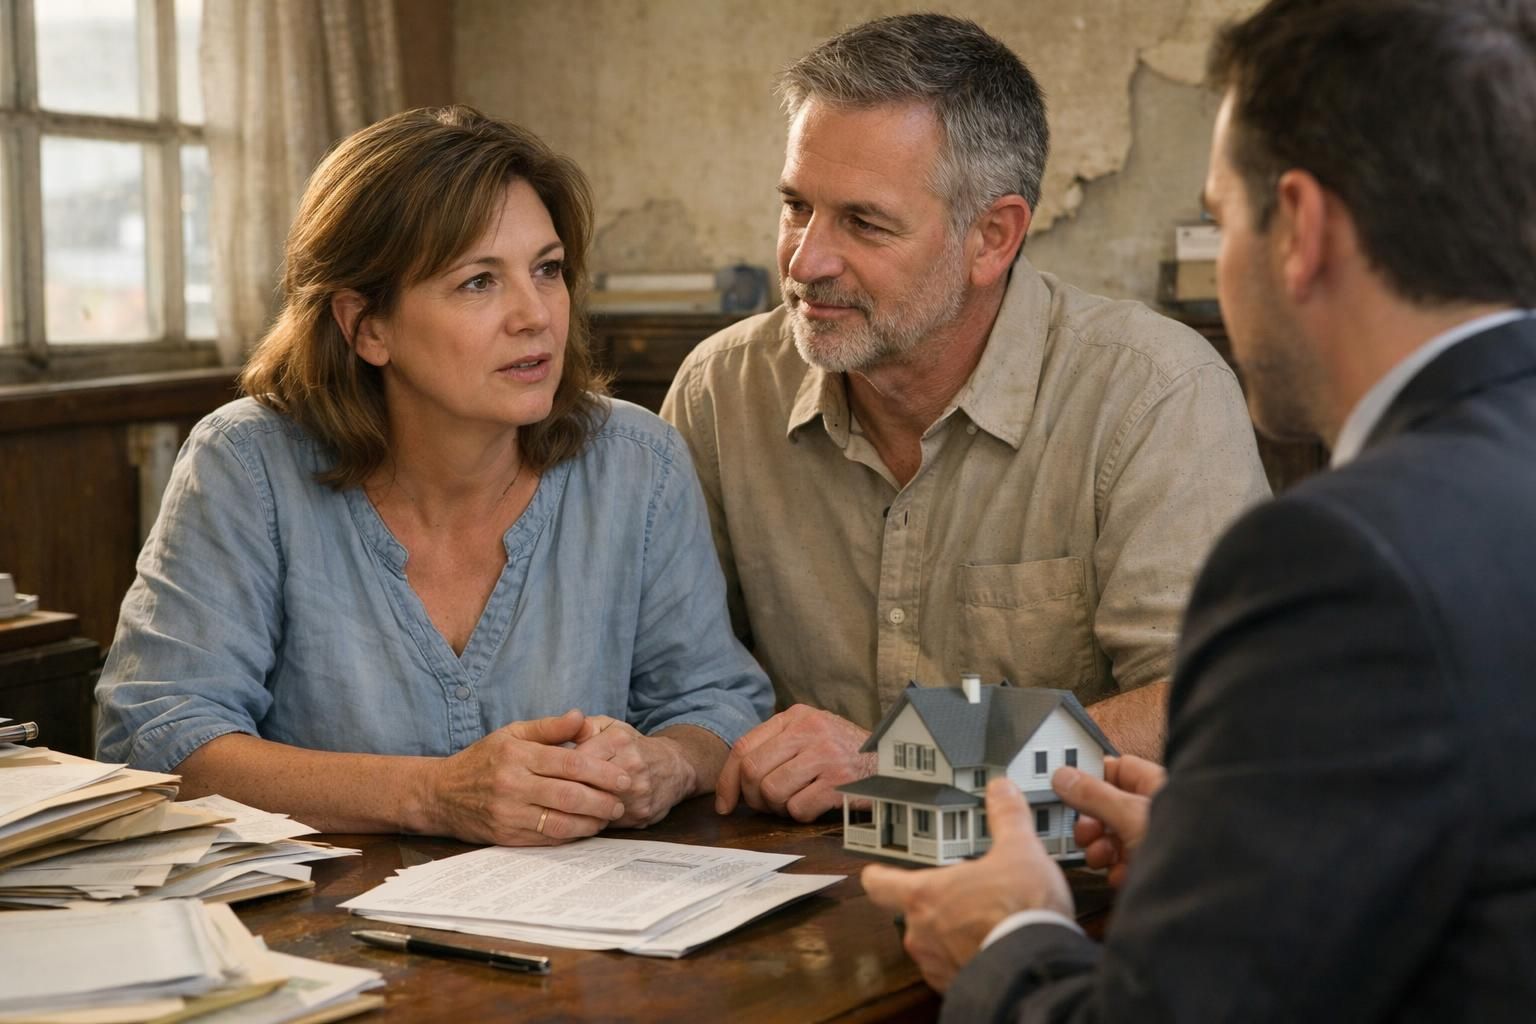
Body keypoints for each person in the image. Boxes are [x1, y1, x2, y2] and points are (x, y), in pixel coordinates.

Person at [862, 0, 1536, 1018]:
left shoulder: (1335, 555)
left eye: (1222, 219)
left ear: (1300, 229)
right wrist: (1229, 846)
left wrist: (1009, 937)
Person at [96, 106, 772, 846]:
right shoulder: (246, 464)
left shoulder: (639, 463)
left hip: (583, 939)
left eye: (547, 271)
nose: (535, 316)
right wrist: (432, 794)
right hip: (319, 936)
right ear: (366, 327)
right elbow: (155, 740)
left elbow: (717, 701)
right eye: (479, 282)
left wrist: (667, 762)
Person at [661, 13, 1270, 820]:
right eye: (795, 206)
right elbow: (674, 679)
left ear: (994, 236)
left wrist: (904, 761)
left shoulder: (1153, 392)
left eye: (864, 222)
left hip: (1063, 895)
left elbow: (1216, 698)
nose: (806, 261)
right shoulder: (720, 391)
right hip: (780, 885)